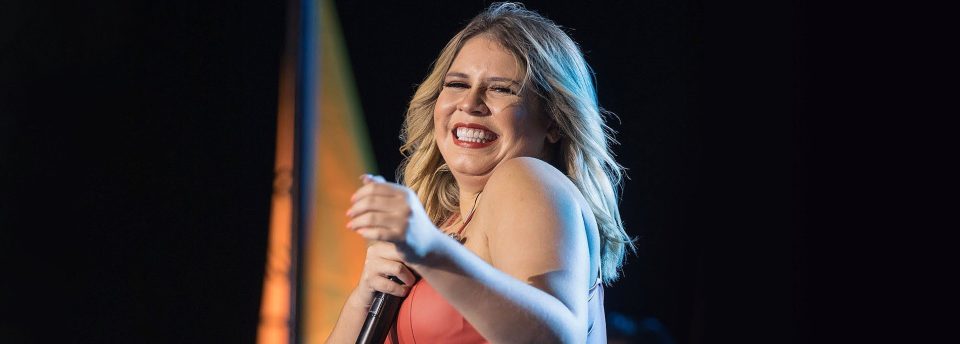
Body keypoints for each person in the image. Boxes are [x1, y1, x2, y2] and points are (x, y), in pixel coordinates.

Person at [326, 2, 633, 343]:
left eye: (501, 89)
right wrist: (362, 298)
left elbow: (560, 338)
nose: (470, 103)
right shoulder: (444, 224)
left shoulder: (526, 177)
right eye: (457, 84)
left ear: (552, 122)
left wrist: (428, 249)